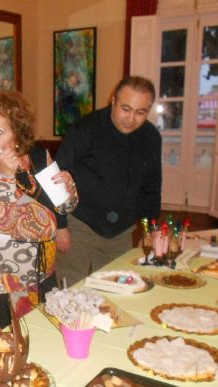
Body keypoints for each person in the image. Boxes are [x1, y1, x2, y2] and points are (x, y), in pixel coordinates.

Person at [0, 91, 78, 324]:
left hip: (44, 274)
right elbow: (2, 225)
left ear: (17, 131)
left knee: (43, 346)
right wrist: (6, 179)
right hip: (2, 284)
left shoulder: (36, 156)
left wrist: (69, 186)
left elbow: (65, 207)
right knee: (4, 354)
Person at [55, 76, 162, 287]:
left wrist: (149, 230)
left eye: (140, 112)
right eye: (125, 108)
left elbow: (152, 187)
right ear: (113, 100)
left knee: (115, 289)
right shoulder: (85, 129)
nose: (131, 119)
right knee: (69, 290)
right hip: (80, 227)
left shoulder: (151, 137)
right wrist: (60, 227)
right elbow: (56, 178)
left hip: (122, 232)